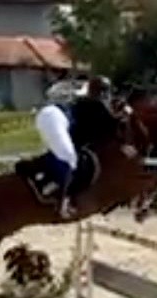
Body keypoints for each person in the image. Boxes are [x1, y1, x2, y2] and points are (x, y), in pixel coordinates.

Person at [35, 75, 117, 219]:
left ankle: (32, 171)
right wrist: (125, 113)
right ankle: (62, 205)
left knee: (61, 155)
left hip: (49, 116)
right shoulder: (97, 104)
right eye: (105, 91)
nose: (106, 95)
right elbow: (113, 125)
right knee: (69, 158)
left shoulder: (86, 102)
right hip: (55, 117)